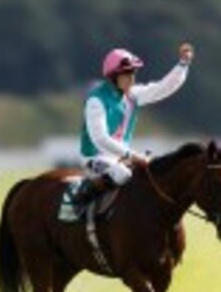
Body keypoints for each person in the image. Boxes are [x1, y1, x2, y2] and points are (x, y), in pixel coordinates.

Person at [72, 43, 195, 207]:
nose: (132, 78)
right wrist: (133, 156)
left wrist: (183, 64)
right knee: (121, 174)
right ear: (113, 76)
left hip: (120, 158)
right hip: (95, 158)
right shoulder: (96, 100)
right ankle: (80, 199)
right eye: (127, 74)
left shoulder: (133, 95)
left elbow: (163, 88)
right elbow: (100, 139)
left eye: (133, 73)